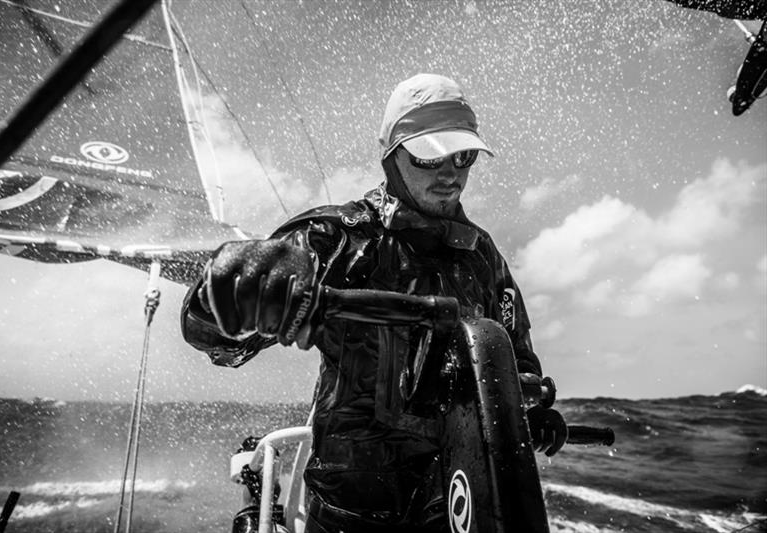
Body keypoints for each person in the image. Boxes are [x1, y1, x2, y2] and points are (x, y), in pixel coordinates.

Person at [181, 73, 568, 533]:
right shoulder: (333, 239)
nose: (450, 174)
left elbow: (516, 365)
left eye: (463, 155)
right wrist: (228, 294)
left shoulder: (483, 259)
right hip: (346, 513)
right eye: (430, 156)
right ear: (391, 155)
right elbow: (219, 340)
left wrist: (532, 411)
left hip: (452, 507)